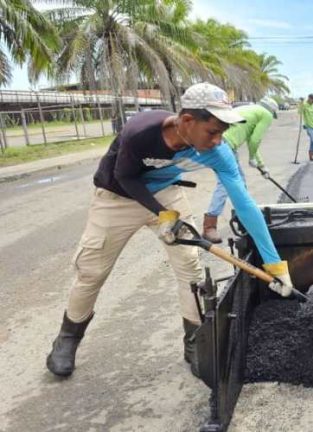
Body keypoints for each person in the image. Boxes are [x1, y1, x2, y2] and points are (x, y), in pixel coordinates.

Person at [45, 82, 296, 379]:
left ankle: (193, 341)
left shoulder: (219, 153)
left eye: (223, 133)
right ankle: (68, 337)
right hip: (118, 198)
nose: (218, 141)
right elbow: (124, 176)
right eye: (213, 132)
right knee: (92, 270)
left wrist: (275, 263)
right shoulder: (141, 132)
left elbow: (244, 205)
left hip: (167, 194)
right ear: (188, 121)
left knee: (189, 266)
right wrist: (161, 214)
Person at [202, 97, 279, 243]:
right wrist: (252, 158)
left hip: (220, 142)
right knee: (226, 184)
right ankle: (209, 226)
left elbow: (251, 141)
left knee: (240, 183)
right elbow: (256, 140)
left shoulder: (252, 110)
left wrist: (261, 165)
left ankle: (245, 219)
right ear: (272, 111)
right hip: (224, 144)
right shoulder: (266, 114)